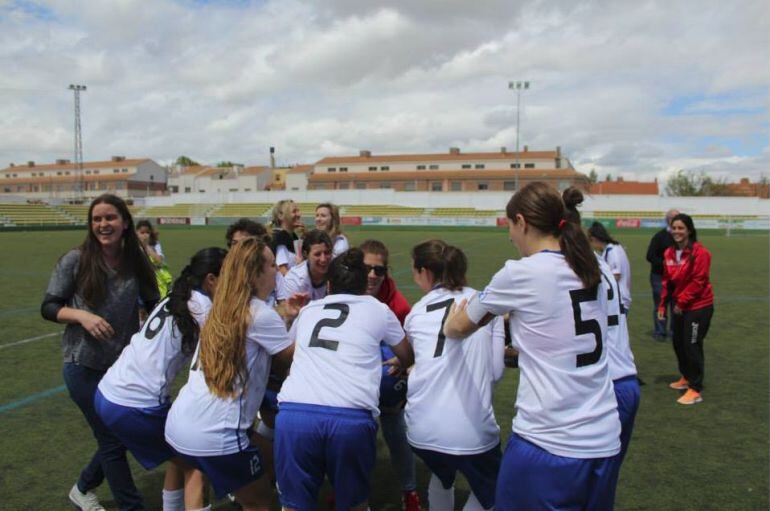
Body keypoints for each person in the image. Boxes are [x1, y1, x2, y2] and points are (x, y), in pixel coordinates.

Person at [443, 182, 621, 511]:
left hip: (549, 442)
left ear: (522, 222)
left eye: (510, 226)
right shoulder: (591, 266)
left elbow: (458, 328)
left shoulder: (521, 273)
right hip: (604, 440)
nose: (510, 236)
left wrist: (452, 318)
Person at [41, 193, 159, 511]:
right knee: (111, 439)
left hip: (121, 367)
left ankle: (83, 487)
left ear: (124, 222)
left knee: (120, 434)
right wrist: (83, 316)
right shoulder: (76, 260)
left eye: (110, 218)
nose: (103, 224)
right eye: (97, 219)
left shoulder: (136, 261)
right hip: (82, 364)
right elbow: (49, 306)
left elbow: (153, 303)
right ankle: (131, 506)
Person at [275, 248, 415, 511]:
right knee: (354, 505)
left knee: (294, 506)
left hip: (295, 412)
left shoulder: (309, 310)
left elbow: (290, 355)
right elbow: (406, 355)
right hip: (350, 416)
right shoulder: (379, 309)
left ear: (329, 285)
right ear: (364, 285)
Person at [164, 238, 297, 511]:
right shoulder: (260, 314)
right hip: (217, 431)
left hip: (181, 422)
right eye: (272, 265)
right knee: (259, 501)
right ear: (255, 273)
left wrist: (284, 314)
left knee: (268, 460)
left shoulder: (222, 307)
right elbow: (293, 362)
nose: (277, 270)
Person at [94, 247, 227, 511]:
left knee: (179, 457)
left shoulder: (177, 296)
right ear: (211, 279)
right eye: (229, 277)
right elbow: (223, 351)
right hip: (134, 402)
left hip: (109, 390)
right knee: (195, 463)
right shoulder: (202, 306)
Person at [404, 240, 505, 511]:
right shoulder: (485, 302)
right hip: (471, 433)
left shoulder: (415, 313)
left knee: (442, 473)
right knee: (493, 493)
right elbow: (495, 372)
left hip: (420, 430)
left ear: (425, 271)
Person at [563, 188, 639, 500]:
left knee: (568, 492)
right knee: (598, 494)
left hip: (598, 389)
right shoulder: (602, 263)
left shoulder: (560, 269)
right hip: (626, 383)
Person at [360, 239, 421, 511]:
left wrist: (404, 364)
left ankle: (409, 491)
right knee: (359, 440)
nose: (372, 275)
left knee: (397, 434)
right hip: (357, 382)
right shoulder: (345, 289)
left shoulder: (397, 303)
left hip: (389, 380)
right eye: (367, 268)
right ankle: (352, 491)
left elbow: (414, 344)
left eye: (379, 270)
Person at [659, 213, 714, 405]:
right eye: (674, 228)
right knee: (678, 343)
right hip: (679, 307)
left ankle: (695, 389)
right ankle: (686, 377)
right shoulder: (668, 253)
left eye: (681, 228)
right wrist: (662, 304)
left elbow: (699, 281)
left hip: (699, 306)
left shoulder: (701, 253)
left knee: (692, 345)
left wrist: (681, 303)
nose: (677, 232)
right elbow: (666, 281)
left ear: (689, 230)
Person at [646, 209, 679, 341]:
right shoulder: (659, 237)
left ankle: (675, 332)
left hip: (678, 278)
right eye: (675, 218)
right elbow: (650, 256)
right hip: (659, 277)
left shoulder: (684, 237)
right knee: (661, 305)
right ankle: (660, 331)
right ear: (668, 220)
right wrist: (666, 265)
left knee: (676, 306)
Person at [588, 222, 632, 315]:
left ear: (594, 239)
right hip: (617, 300)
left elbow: (616, 275)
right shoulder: (611, 249)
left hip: (619, 301)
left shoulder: (612, 251)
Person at [277, 229, 332, 302]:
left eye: (327, 253)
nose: (323, 259)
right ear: (306, 254)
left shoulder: (337, 273)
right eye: (317, 254)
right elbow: (293, 312)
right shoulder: (294, 280)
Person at [137, 219, 173, 298]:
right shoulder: (133, 245)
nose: (145, 235)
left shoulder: (155, 245)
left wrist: (146, 246)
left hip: (155, 281)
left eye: (147, 232)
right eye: (142, 233)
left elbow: (159, 260)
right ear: (137, 233)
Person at [270, 199, 303, 275]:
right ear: (280, 215)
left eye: (298, 211)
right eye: (294, 211)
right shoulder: (279, 238)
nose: (299, 214)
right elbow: (282, 271)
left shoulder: (293, 237)